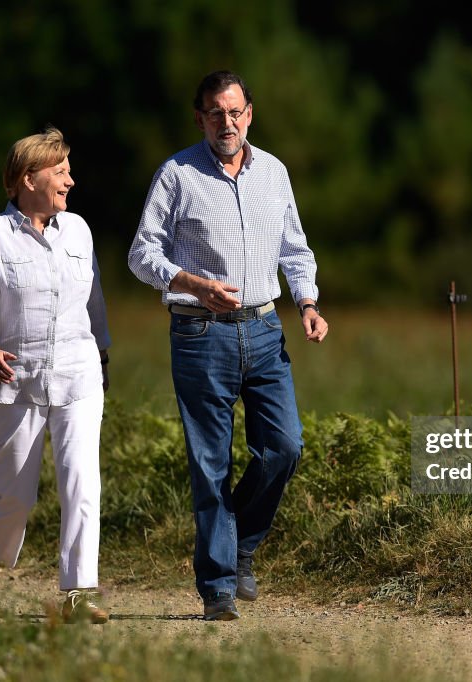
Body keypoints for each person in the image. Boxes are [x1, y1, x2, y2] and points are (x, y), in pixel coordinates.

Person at [128, 70, 329, 621]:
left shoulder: (275, 173)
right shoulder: (176, 175)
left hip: (265, 330)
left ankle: (237, 544)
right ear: (200, 118)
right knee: (210, 462)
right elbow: (141, 256)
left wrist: (307, 304)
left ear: (250, 115)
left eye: (235, 111)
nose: (227, 122)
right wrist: (191, 283)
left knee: (286, 445)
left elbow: (295, 248)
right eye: (216, 113)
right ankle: (217, 585)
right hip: (199, 333)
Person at [0, 126, 112, 624]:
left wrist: (104, 355)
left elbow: (94, 302)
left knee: (81, 481)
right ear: (29, 177)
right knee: (14, 496)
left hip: (78, 376)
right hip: (15, 383)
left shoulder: (79, 231)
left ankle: (77, 593)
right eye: (61, 170)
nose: (71, 180)